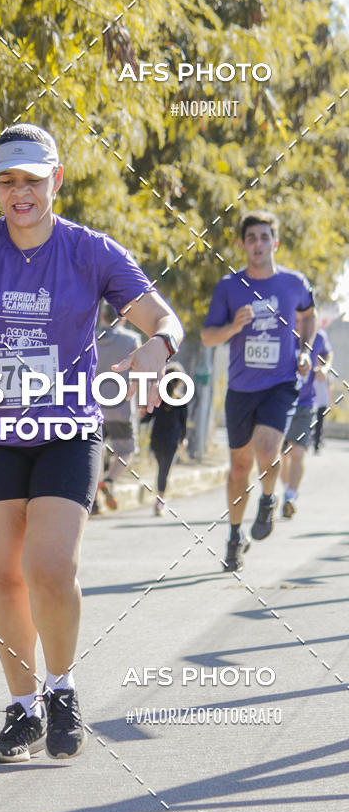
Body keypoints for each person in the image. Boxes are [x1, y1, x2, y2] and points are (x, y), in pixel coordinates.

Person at [0, 123, 183, 763]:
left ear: (56, 179)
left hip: (67, 431)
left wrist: (160, 346)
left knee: (50, 568)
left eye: (32, 179)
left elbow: (162, 315)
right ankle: (23, 711)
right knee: (3, 579)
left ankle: (62, 688)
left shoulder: (91, 252)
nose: (20, 192)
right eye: (7, 180)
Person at [201, 210, 316, 572]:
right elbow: (207, 336)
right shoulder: (229, 287)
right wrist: (234, 326)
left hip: (280, 384)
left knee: (268, 449)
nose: (258, 244)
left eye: (264, 237)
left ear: (275, 243)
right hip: (240, 389)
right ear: (242, 245)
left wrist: (304, 351)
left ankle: (267, 500)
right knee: (239, 467)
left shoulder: (294, 283)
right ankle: (235, 536)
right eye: (251, 238)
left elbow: (308, 315)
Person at [93, 304, 141, 511]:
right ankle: (110, 481)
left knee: (95, 450)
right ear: (122, 318)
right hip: (121, 407)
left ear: (102, 317)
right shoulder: (131, 340)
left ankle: (93, 499)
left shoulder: (90, 337)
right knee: (126, 451)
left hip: (92, 406)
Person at [281, 326, 333, 517]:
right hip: (280, 402)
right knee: (281, 456)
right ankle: (286, 487)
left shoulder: (318, 335)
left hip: (305, 403)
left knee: (298, 452)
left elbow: (328, 354)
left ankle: (290, 497)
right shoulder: (284, 329)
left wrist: (324, 368)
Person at [143, 362, 188, 516]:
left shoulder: (157, 399)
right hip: (172, 439)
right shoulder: (181, 400)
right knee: (164, 471)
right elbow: (183, 422)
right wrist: (183, 439)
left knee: (160, 469)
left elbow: (147, 418)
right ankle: (160, 500)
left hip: (156, 438)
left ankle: (159, 500)